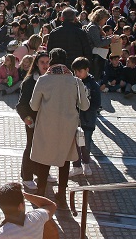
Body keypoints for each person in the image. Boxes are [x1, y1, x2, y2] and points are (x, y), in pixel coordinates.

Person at [28, 48, 89, 207]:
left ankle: (41, 191)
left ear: (51, 61)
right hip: (67, 127)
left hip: (46, 126)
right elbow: (85, 105)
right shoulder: (76, 81)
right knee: (65, 159)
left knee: (44, 159)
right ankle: (61, 194)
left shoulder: (43, 80)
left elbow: (34, 106)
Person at [16, 51, 50, 190]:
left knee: (45, 147)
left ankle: (42, 172)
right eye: (42, 62)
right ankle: (27, 176)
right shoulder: (30, 81)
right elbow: (21, 105)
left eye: (48, 62)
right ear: (36, 63)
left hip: (47, 121)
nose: (45, 65)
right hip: (33, 121)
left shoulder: (51, 79)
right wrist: (28, 119)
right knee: (30, 147)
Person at [69, 56, 101, 177]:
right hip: (74, 120)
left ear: (87, 70)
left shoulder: (93, 85)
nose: (77, 74)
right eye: (75, 72)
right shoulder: (73, 82)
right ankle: (76, 166)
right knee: (74, 145)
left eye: (79, 71)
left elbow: (96, 103)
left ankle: (86, 163)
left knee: (85, 144)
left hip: (87, 121)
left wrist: (87, 109)